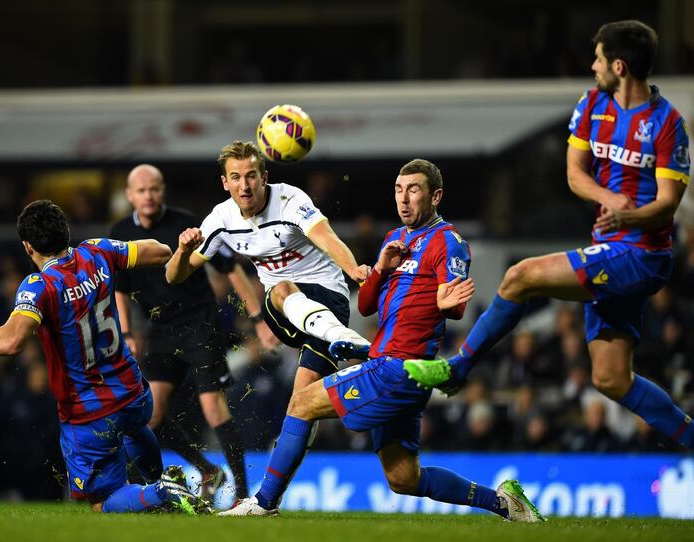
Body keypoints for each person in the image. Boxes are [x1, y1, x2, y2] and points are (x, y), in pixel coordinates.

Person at [405, 20, 693, 449]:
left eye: (598, 58)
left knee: (520, 276)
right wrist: (611, 202)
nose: (592, 65)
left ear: (619, 65)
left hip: (642, 256)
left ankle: (458, 368)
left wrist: (628, 219)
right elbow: (575, 174)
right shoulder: (593, 104)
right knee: (611, 379)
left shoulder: (667, 123)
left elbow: (668, 204)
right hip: (611, 245)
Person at [218, 159, 543, 520]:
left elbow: (454, 306)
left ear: (435, 196)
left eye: (414, 190)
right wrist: (382, 269)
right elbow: (369, 304)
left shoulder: (448, 242)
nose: (403, 199)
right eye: (398, 190)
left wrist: (445, 302)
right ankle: (503, 503)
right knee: (404, 478)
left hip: (401, 367)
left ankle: (263, 503)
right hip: (390, 366)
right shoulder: (395, 239)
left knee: (302, 402)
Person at [0, 200, 200, 513]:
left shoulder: (40, 286)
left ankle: (160, 491)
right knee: (132, 427)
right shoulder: (96, 251)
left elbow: (11, 341)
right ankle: (164, 485)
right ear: (66, 232)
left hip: (90, 412)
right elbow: (160, 251)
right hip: (134, 394)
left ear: (28, 246)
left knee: (100, 502)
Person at [165, 141, 372, 461]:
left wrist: (354, 269)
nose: (244, 185)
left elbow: (327, 238)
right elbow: (173, 276)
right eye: (235, 177)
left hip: (329, 298)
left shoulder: (290, 200)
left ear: (264, 176)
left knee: (301, 404)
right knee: (280, 288)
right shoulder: (220, 218)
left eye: (250, 176)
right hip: (283, 309)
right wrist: (181, 250)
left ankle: (267, 501)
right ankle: (346, 342)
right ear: (225, 182)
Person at [110, 164, 278, 503]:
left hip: (200, 323)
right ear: (130, 195)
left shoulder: (186, 223)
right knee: (151, 416)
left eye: (154, 188)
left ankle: (243, 496)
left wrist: (258, 317)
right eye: (141, 190)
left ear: (163, 191)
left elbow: (230, 267)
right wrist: (126, 331)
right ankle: (206, 470)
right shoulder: (121, 231)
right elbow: (121, 290)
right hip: (160, 328)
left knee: (212, 407)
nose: (148, 195)